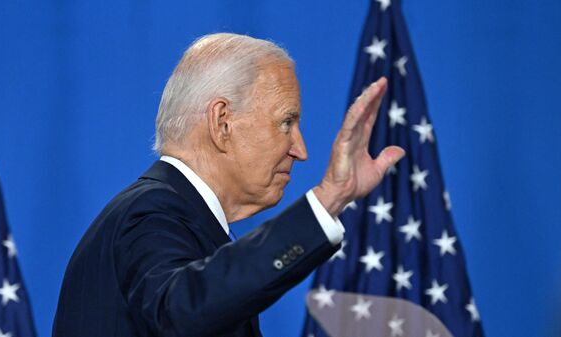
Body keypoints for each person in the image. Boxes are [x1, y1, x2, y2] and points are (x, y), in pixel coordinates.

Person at [52, 33, 405, 337]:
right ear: (222, 122)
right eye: (286, 122)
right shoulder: (151, 212)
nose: (301, 150)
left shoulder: (182, 221)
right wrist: (329, 198)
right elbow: (182, 310)